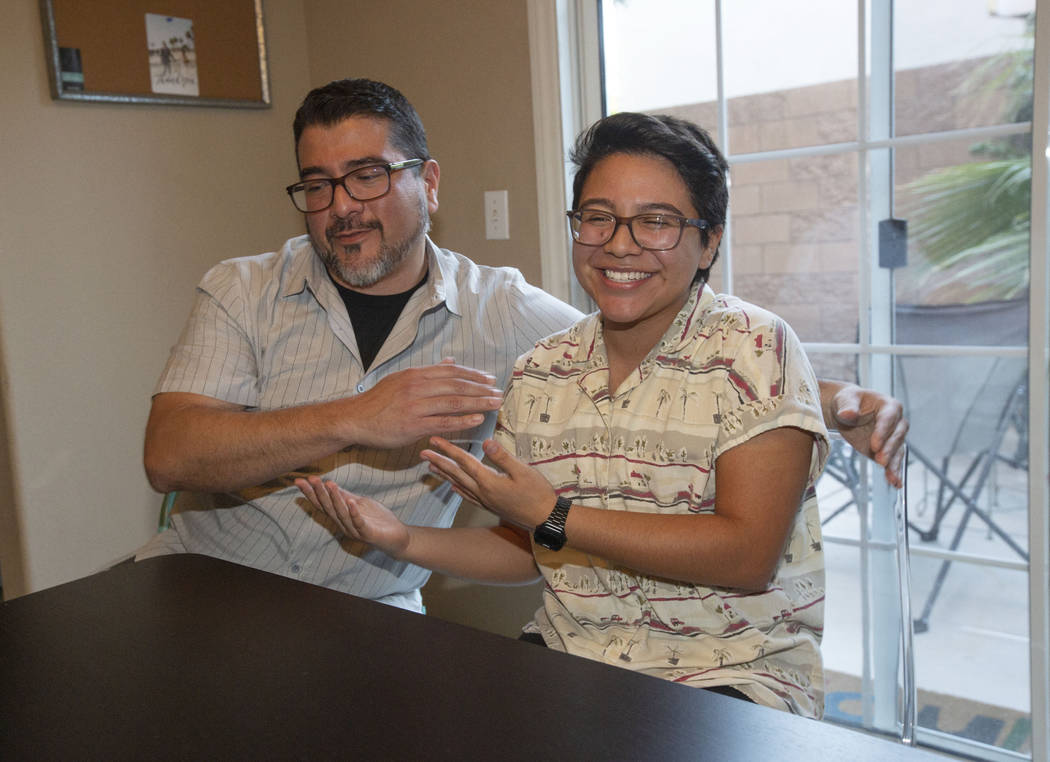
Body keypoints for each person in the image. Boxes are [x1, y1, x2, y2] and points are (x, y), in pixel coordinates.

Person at [142, 78, 906, 616]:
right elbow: (170, 455)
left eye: (368, 176)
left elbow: (668, 346)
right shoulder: (241, 288)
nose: (342, 206)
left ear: (429, 183)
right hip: (208, 586)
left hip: (369, 608)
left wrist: (834, 398)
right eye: (318, 185)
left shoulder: (504, 313)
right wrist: (356, 416)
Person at [295, 111, 840, 718]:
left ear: (709, 239)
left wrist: (555, 516)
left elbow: (745, 554)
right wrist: (400, 538)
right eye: (598, 218)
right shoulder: (540, 371)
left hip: (730, 676)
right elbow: (529, 549)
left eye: (655, 222)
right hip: (568, 656)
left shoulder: (754, 346)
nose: (620, 243)